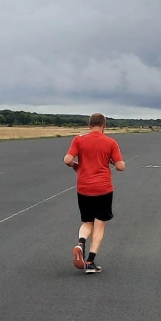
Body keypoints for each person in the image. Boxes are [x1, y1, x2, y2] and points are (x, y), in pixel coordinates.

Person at [65, 113, 125, 274]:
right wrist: (111, 161)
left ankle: (80, 242)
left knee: (87, 221)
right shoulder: (110, 142)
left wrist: (76, 165)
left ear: (89, 124)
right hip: (103, 188)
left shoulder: (78, 139)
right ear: (104, 125)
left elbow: (67, 159)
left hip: (84, 187)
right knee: (100, 223)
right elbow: (120, 166)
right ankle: (90, 261)